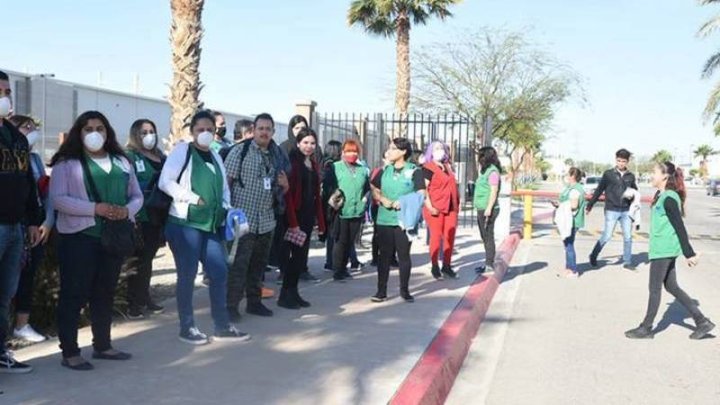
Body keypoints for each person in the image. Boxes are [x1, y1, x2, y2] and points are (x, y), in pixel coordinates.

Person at [49, 111, 142, 370]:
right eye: (88, 128)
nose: (94, 133)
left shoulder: (122, 161)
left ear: (107, 131)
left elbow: (136, 195)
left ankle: (103, 345)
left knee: (105, 292)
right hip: (79, 238)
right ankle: (70, 351)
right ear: (79, 133)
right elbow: (58, 199)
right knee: (74, 294)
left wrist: (128, 210)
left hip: (113, 237)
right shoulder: (67, 163)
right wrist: (95, 209)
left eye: (99, 128)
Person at [159, 110, 250, 345]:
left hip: (210, 224)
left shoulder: (215, 156)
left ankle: (222, 326)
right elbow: (165, 181)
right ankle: (187, 327)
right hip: (185, 224)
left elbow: (224, 188)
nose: (206, 133)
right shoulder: (183, 151)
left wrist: (227, 207)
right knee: (187, 276)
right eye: (200, 130)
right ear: (192, 132)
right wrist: (191, 198)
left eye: (210, 129)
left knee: (219, 271)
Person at [624, 162, 714, 340]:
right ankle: (702, 322)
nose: (651, 175)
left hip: (663, 250)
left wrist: (689, 254)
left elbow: (679, 227)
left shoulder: (669, 197)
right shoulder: (662, 195)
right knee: (671, 286)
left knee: (654, 289)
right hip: (662, 249)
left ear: (665, 176)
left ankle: (646, 328)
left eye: (654, 172)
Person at [225, 113, 289, 320]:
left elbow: (281, 188)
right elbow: (227, 182)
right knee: (238, 267)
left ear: (273, 131)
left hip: (266, 221)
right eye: (260, 128)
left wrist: (285, 186)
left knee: (258, 267)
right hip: (244, 220)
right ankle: (231, 306)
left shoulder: (277, 155)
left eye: (268, 129)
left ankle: (254, 303)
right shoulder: (240, 152)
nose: (264, 132)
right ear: (253, 130)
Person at [0, 70, 43, 373]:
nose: (4, 98)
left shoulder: (15, 137)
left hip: (15, 226)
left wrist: (32, 219)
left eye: (6, 92)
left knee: (5, 295)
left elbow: (26, 179)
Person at [8, 115, 54, 343]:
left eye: (35, 127)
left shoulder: (34, 159)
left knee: (27, 277)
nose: (32, 131)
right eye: (27, 127)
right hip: (14, 224)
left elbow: (42, 194)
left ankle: (21, 325)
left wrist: (45, 222)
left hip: (33, 227)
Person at [370, 138, 425, 303]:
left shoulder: (414, 171)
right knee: (384, 255)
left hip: (404, 220)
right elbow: (374, 187)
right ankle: (381, 290)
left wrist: (404, 201)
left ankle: (404, 290)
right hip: (384, 219)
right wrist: (381, 198)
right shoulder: (385, 170)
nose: (389, 151)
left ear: (403, 152)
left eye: (393, 148)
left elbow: (421, 193)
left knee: (403, 256)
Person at [278, 128, 326, 308]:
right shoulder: (292, 163)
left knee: (300, 258)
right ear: (298, 143)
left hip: (307, 215)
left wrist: (319, 221)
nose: (309, 146)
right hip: (294, 216)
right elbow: (288, 194)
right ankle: (285, 295)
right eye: (305, 142)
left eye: (312, 143)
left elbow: (316, 195)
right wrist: (293, 223)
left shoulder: (312, 164)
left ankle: (294, 292)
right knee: (292, 258)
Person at [123, 119, 166, 319]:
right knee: (138, 259)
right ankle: (134, 302)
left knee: (148, 259)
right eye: (143, 132)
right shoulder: (129, 156)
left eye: (151, 131)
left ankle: (144, 297)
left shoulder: (160, 156)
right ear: (135, 135)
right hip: (141, 215)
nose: (149, 135)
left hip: (160, 215)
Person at [323, 139, 369, 282]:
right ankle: (337, 270)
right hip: (340, 211)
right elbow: (327, 186)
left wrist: (364, 201)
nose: (352, 154)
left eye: (354, 151)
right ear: (343, 152)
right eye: (349, 151)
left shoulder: (362, 169)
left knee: (350, 241)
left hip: (357, 211)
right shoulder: (335, 167)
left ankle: (344, 268)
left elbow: (367, 188)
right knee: (340, 241)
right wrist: (335, 199)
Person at [586, 148, 638, 270]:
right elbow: (599, 190)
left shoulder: (631, 176)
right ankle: (593, 255)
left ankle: (627, 261)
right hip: (611, 209)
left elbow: (635, 191)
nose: (621, 163)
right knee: (607, 235)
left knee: (628, 237)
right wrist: (590, 205)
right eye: (619, 160)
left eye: (623, 161)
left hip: (626, 210)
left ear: (627, 162)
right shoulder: (608, 174)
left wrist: (633, 198)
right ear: (616, 160)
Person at [422, 141, 459, 280]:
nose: (440, 151)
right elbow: (424, 189)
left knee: (450, 237)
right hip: (436, 207)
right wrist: (430, 207)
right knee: (436, 237)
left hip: (451, 207)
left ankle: (447, 266)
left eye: (442, 148)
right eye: (436, 148)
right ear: (431, 151)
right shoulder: (428, 168)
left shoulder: (448, 167)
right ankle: (434, 265)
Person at [552, 167, 586, 278]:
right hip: (568, 219)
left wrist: (561, 205)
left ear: (572, 176)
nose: (566, 176)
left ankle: (573, 270)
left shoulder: (576, 190)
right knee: (567, 244)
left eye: (568, 174)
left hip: (572, 221)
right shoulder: (570, 188)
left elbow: (574, 205)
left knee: (569, 245)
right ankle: (568, 268)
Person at [473, 146, 502, 274]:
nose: (479, 159)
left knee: (488, 236)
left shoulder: (493, 172)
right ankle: (487, 262)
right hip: (481, 207)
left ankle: (489, 264)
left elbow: (494, 191)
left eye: (480, 156)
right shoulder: (485, 170)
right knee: (485, 236)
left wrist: (489, 208)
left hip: (487, 209)